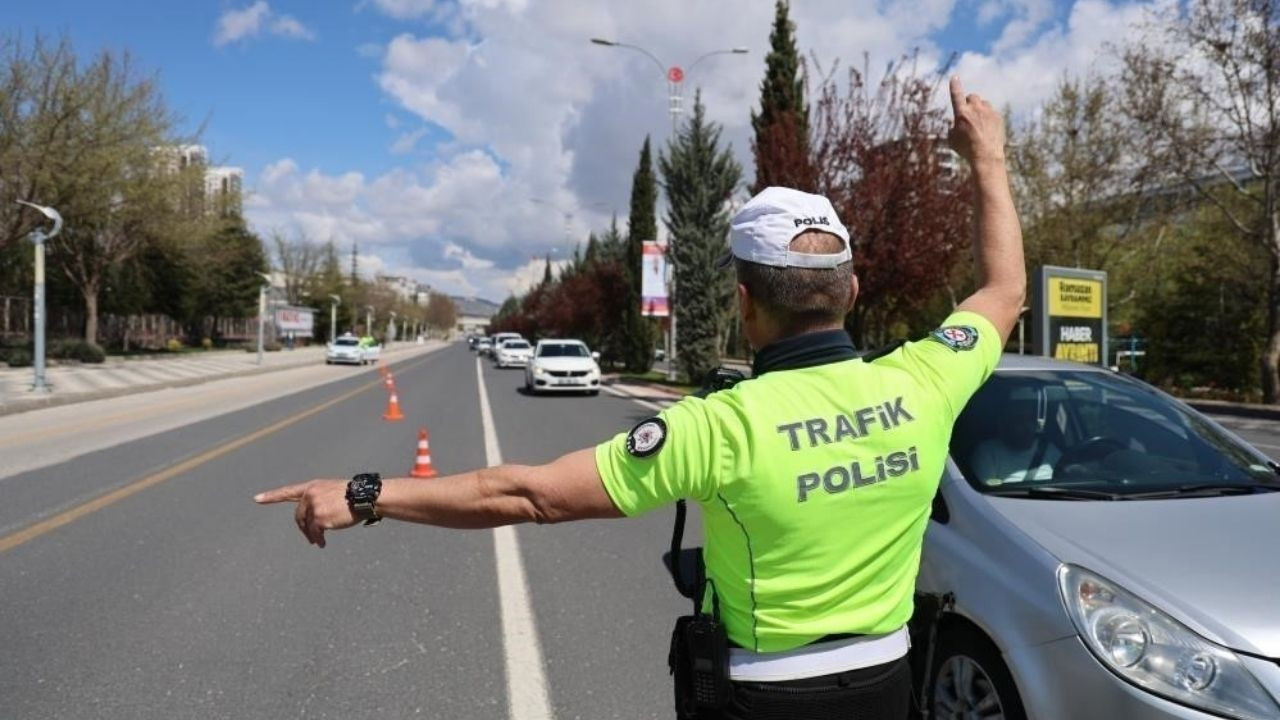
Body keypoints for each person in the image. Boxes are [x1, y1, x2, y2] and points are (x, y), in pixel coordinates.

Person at [254, 76, 1024, 720]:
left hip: (760, 698)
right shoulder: (926, 379)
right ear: (852, 290)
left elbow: (526, 495)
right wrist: (987, 155)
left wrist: (367, 494)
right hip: (890, 686)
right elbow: (1004, 289)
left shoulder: (719, 427)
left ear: (744, 304)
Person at [969, 386, 1061, 485]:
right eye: (1019, 419)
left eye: (1029, 419)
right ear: (1005, 424)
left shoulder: (1051, 451)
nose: (1026, 426)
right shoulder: (988, 452)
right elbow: (984, 493)